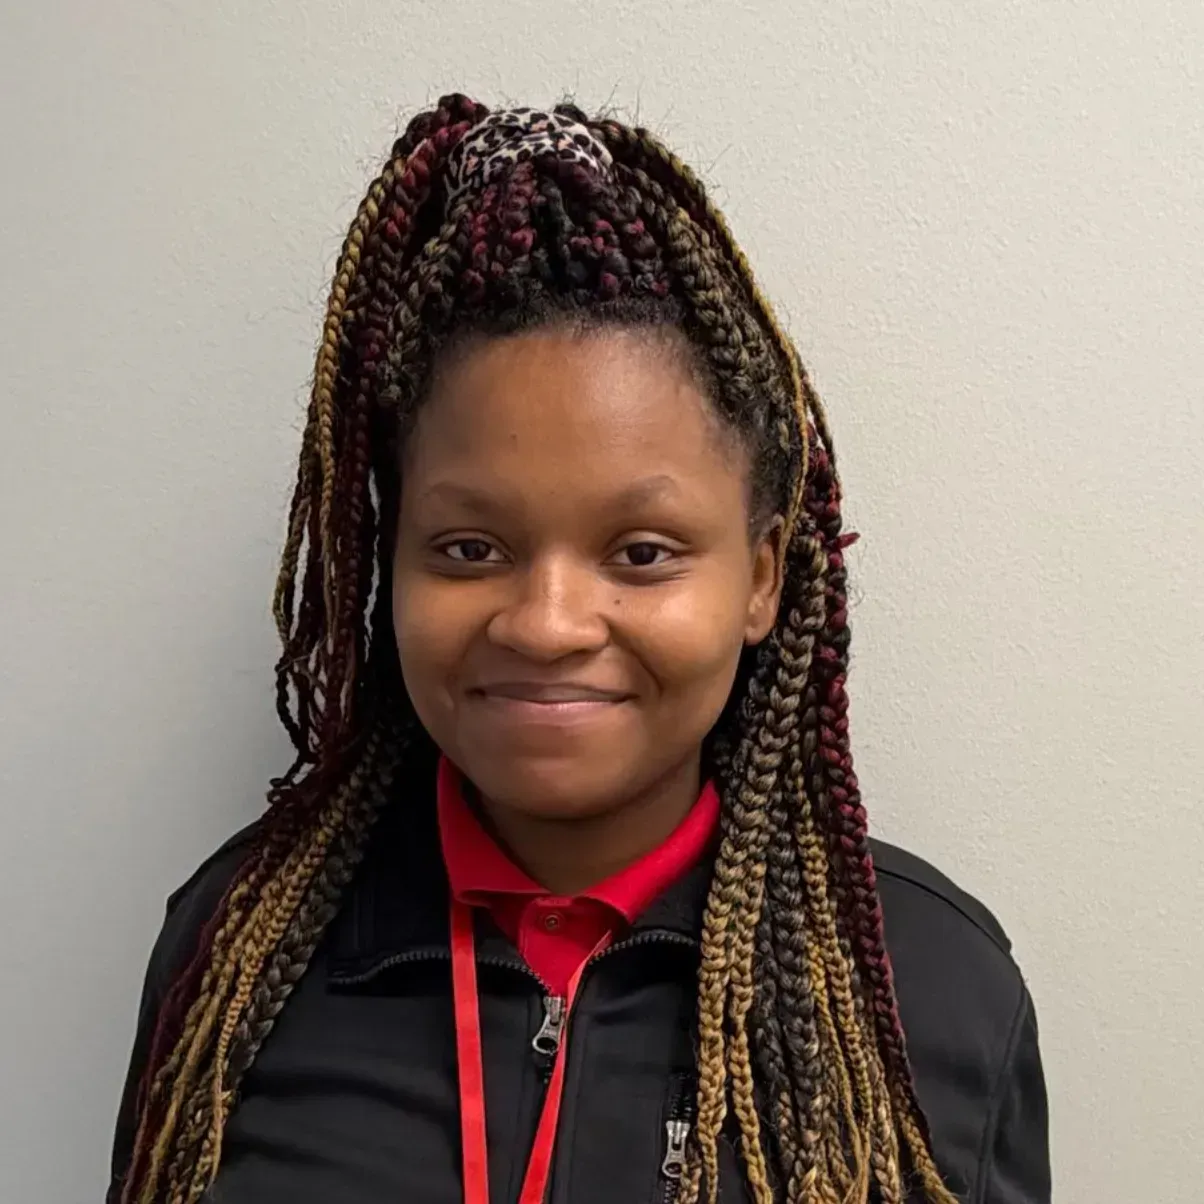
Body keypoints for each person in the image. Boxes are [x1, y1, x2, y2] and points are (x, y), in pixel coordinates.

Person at [108, 96, 1050, 1204]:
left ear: (760, 575)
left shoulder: (933, 989)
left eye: (641, 551)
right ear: (387, 560)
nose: (547, 623)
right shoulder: (233, 953)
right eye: (469, 546)